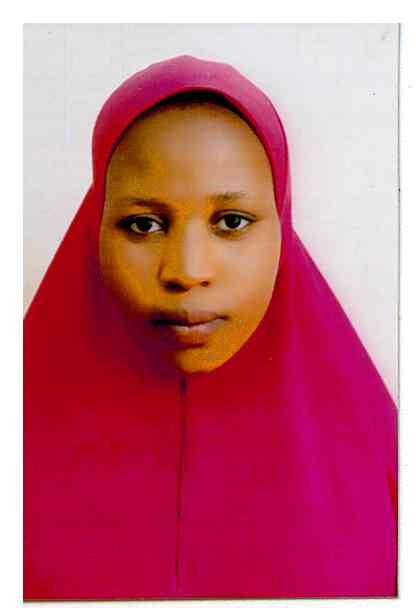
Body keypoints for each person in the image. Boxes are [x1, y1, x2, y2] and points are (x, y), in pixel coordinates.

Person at [24, 55, 398, 600]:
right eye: (143, 224)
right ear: (95, 228)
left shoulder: (385, 467)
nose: (186, 270)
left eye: (232, 222)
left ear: (282, 225)